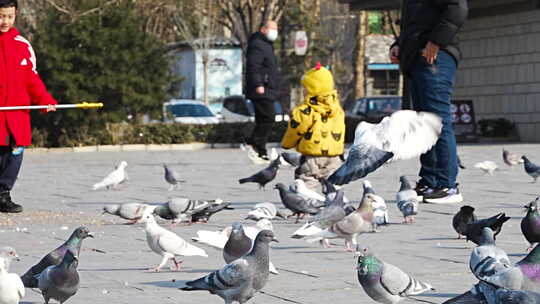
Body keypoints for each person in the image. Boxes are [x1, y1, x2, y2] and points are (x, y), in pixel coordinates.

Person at [389, 0, 468, 204]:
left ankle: (447, 184)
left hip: (436, 56)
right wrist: (399, 45)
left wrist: (436, 42)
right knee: (425, 123)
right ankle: (430, 181)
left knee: (437, 119)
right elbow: (417, 23)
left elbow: (457, 9)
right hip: (419, 57)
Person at [0, 0, 57, 213]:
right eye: (0, 16)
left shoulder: (22, 45)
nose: (4, 21)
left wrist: (45, 100)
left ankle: (3, 194)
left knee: (14, 155)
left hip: (16, 115)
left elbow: (32, 79)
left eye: (9, 16)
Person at [281, 63, 345, 191]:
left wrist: (287, 144)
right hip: (334, 157)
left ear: (311, 89)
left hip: (312, 157)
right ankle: (335, 205)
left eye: (305, 88)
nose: (304, 91)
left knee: (307, 182)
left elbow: (296, 129)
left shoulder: (305, 110)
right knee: (332, 185)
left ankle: (305, 208)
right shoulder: (337, 108)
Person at [245, 20, 280, 160]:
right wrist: (258, 83)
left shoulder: (267, 45)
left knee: (262, 118)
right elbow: (254, 66)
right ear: (264, 29)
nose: (275, 32)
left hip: (267, 87)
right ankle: (253, 142)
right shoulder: (258, 45)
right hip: (261, 88)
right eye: (273, 28)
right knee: (269, 116)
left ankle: (260, 150)